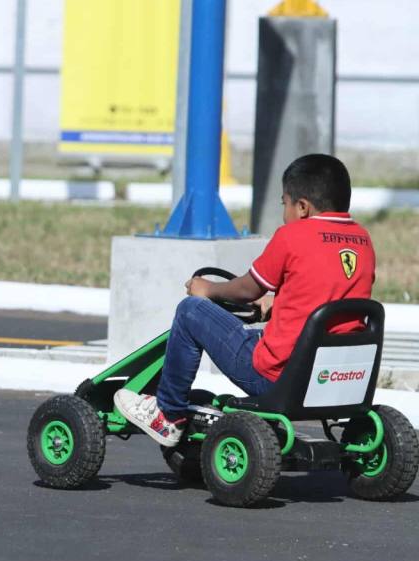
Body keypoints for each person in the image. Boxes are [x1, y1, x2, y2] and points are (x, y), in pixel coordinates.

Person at [114, 154, 376, 447]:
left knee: (190, 311)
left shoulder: (292, 236)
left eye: (284, 204)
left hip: (276, 377)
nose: (284, 213)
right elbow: (329, 294)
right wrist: (276, 301)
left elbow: (247, 291)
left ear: (302, 207)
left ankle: (168, 414)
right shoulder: (362, 240)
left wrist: (209, 289)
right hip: (337, 378)